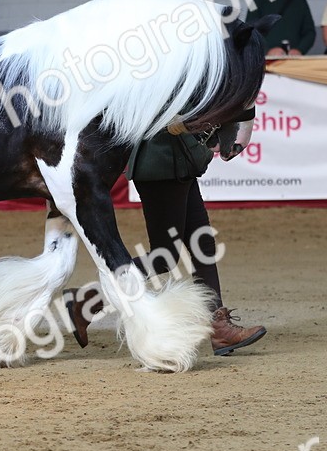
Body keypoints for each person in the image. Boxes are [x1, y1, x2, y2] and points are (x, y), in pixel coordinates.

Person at [62, 119, 268, 358]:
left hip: (180, 157)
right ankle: (88, 301)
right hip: (161, 162)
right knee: (164, 257)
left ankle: (219, 328)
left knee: (202, 245)